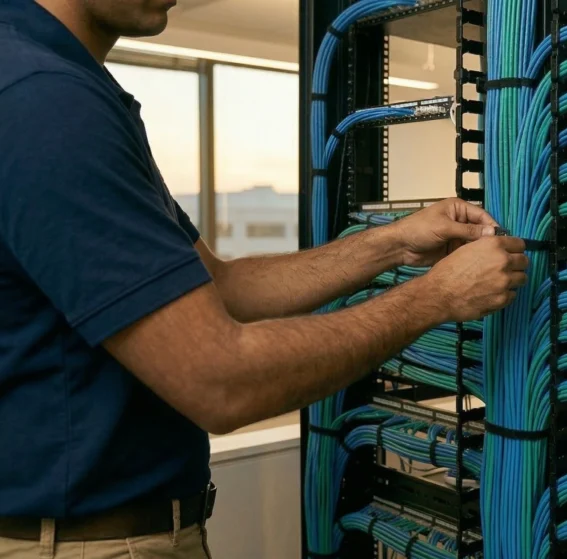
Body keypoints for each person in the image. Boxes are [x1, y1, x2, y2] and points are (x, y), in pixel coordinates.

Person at [0, 0, 527, 557]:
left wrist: (393, 243)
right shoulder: (46, 99)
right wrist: (435, 298)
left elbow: (221, 285)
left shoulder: (60, 86)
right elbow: (220, 378)